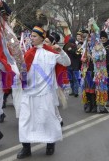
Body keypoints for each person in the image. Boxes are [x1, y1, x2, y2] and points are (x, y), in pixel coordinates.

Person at [17, 26, 70, 159]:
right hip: (29, 93)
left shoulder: (51, 52)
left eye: (34, 36)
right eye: (31, 36)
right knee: (25, 120)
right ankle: (26, 147)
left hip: (45, 93)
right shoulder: (28, 53)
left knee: (46, 119)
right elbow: (23, 71)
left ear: (42, 37)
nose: (32, 38)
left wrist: (61, 51)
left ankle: (50, 144)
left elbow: (66, 62)